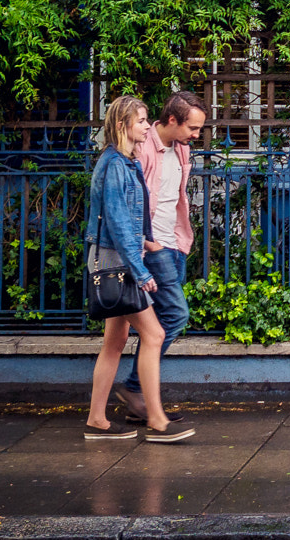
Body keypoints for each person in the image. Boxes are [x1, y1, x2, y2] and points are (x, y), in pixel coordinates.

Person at [83, 96, 194, 444]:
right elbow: (116, 224)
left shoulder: (124, 161)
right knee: (155, 334)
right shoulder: (115, 164)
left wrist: (146, 240)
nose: (148, 126)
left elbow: (128, 220)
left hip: (121, 257)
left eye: (147, 120)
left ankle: (96, 420)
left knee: (115, 342)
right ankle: (157, 421)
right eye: (142, 120)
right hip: (119, 263)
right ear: (122, 126)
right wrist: (141, 271)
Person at [113, 91, 206, 425]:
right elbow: (129, 200)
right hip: (152, 248)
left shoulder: (181, 150)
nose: (196, 135)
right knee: (176, 315)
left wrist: (181, 242)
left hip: (174, 243)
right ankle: (137, 391)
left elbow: (175, 198)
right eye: (192, 128)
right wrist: (144, 242)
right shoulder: (142, 148)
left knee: (140, 328)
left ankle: (138, 404)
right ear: (171, 120)